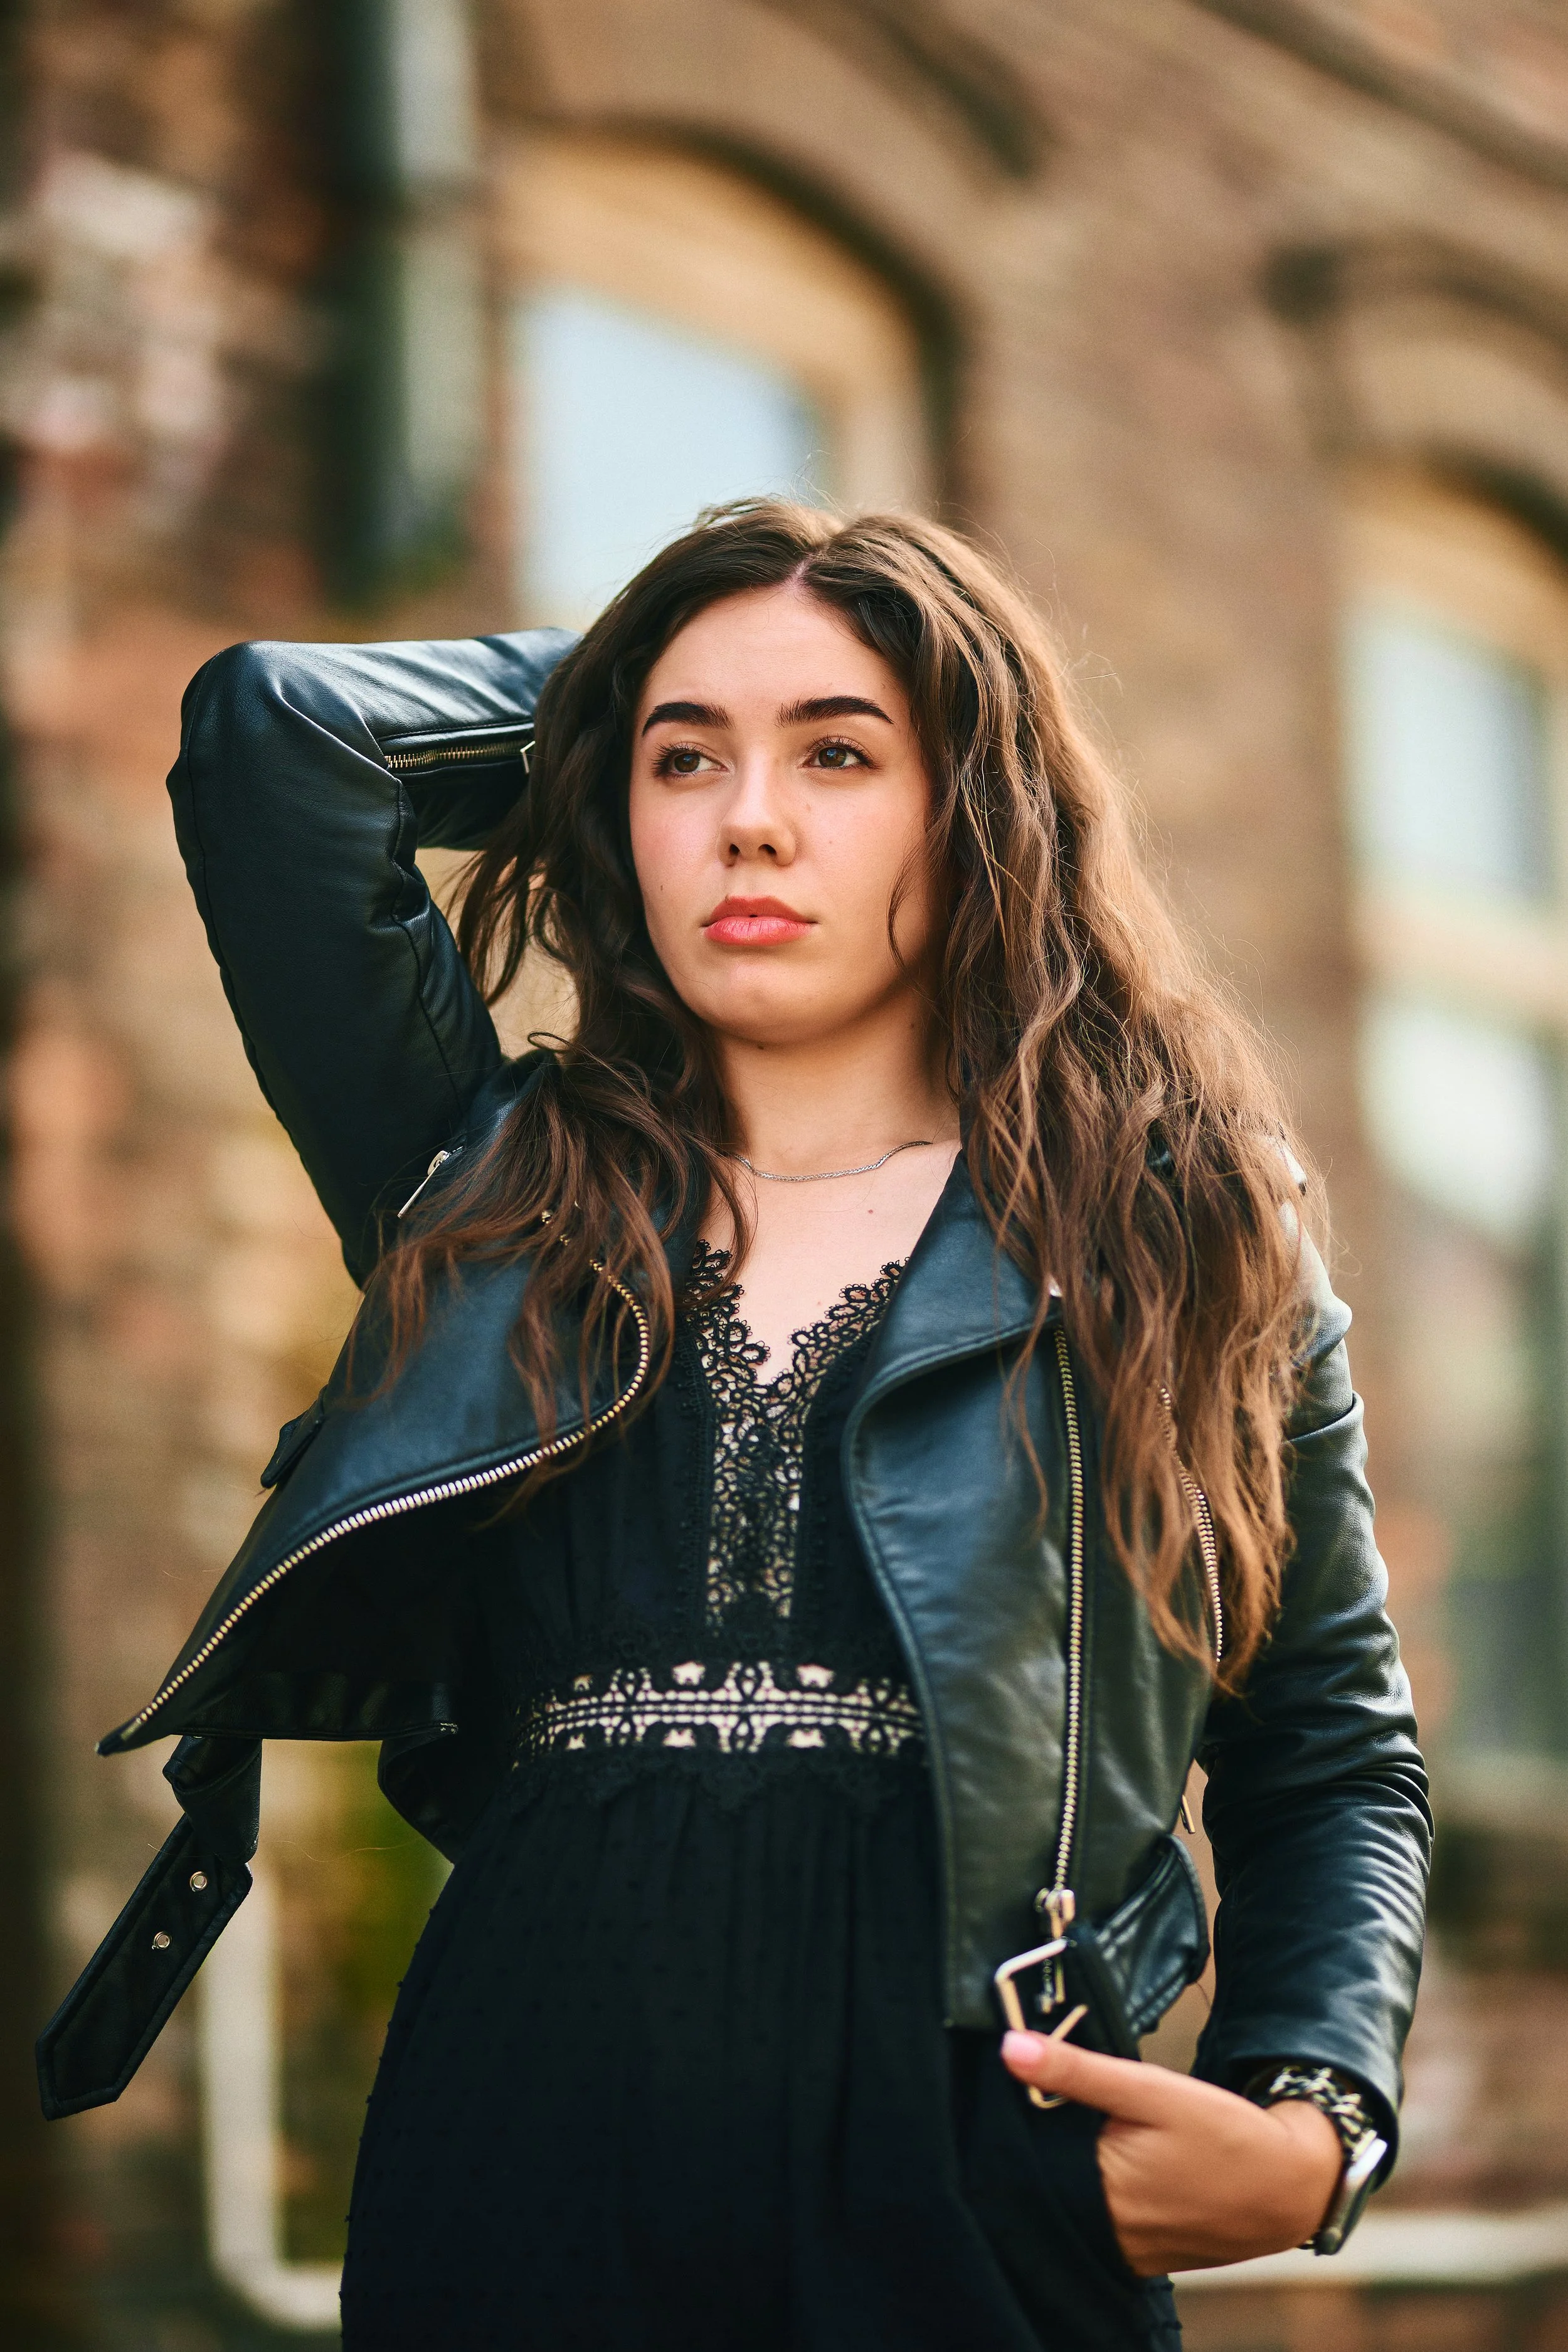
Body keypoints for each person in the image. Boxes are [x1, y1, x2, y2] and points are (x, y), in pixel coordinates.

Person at [40, 502, 1429, 2350]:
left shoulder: (1178, 1235)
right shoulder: (488, 1193)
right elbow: (280, 732)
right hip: (516, 2136)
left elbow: (1327, 1747)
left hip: (968, 2156)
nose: (746, 820)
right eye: (683, 761)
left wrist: (1311, 2115)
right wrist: (653, 678)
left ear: (977, 804)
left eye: (840, 754)